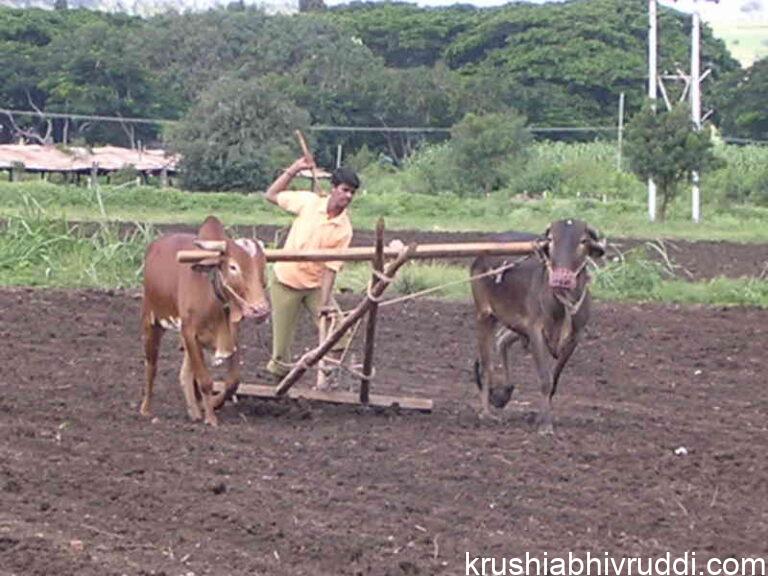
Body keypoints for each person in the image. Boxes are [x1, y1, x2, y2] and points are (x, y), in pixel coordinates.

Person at [263, 156, 360, 380]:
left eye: (352, 193)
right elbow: (271, 195)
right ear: (333, 189)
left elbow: (330, 269)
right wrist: (294, 169)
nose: (348, 196)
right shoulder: (308, 202)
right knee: (281, 352)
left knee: (338, 334)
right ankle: (281, 391)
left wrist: (325, 304)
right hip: (285, 281)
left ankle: (327, 381)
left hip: (315, 286)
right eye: (345, 190)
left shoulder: (343, 229)